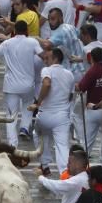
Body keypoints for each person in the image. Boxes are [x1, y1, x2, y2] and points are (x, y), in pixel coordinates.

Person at [30, 47, 76, 175]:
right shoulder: (70, 74)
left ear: (55, 58)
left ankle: (44, 164)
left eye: (47, 58)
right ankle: (65, 174)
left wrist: (38, 103)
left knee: (38, 134)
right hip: (62, 118)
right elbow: (71, 97)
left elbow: (46, 84)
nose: (45, 60)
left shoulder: (47, 70)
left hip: (45, 116)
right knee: (62, 148)